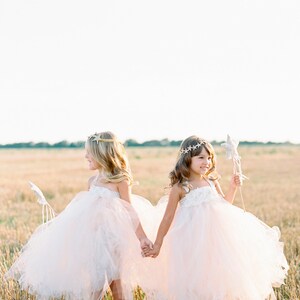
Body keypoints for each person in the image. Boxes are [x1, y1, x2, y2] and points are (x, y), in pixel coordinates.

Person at [5, 131, 152, 300]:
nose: (86, 156)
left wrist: (142, 237)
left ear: (101, 153)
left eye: (89, 152)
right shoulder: (92, 181)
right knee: (94, 281)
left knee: (115, 280)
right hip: (93, 238)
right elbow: (86, 210)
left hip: (112, 238)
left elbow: (129, 209)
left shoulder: (120, 180)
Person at [142, 135, 289, 300]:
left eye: (209, 157)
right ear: (187, 159)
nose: (207, 162)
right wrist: (158, 243)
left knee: (218, 275)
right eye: (201, 157)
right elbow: (168, 217)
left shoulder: (211, 181)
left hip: (216, 238)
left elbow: (224, 204)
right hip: (190, 241)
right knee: (194, 277)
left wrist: (233, 187)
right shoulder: (180, 187)